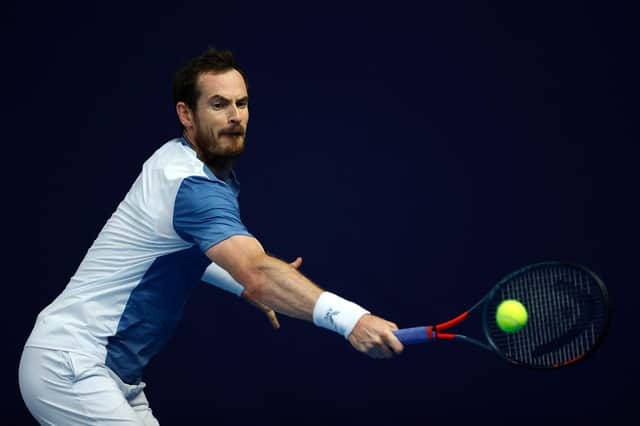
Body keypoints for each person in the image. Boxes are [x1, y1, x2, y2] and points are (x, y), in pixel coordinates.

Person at [19, 48, 403, 425]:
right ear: (186, 114)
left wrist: (248, 284)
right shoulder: (190, 185)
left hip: (112, 376)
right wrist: (351, 319)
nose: (235, 117)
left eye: (242, 103)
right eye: (219, 105)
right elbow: (257, 272)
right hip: (70, 367)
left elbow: (189, 254)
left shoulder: (177, 160)